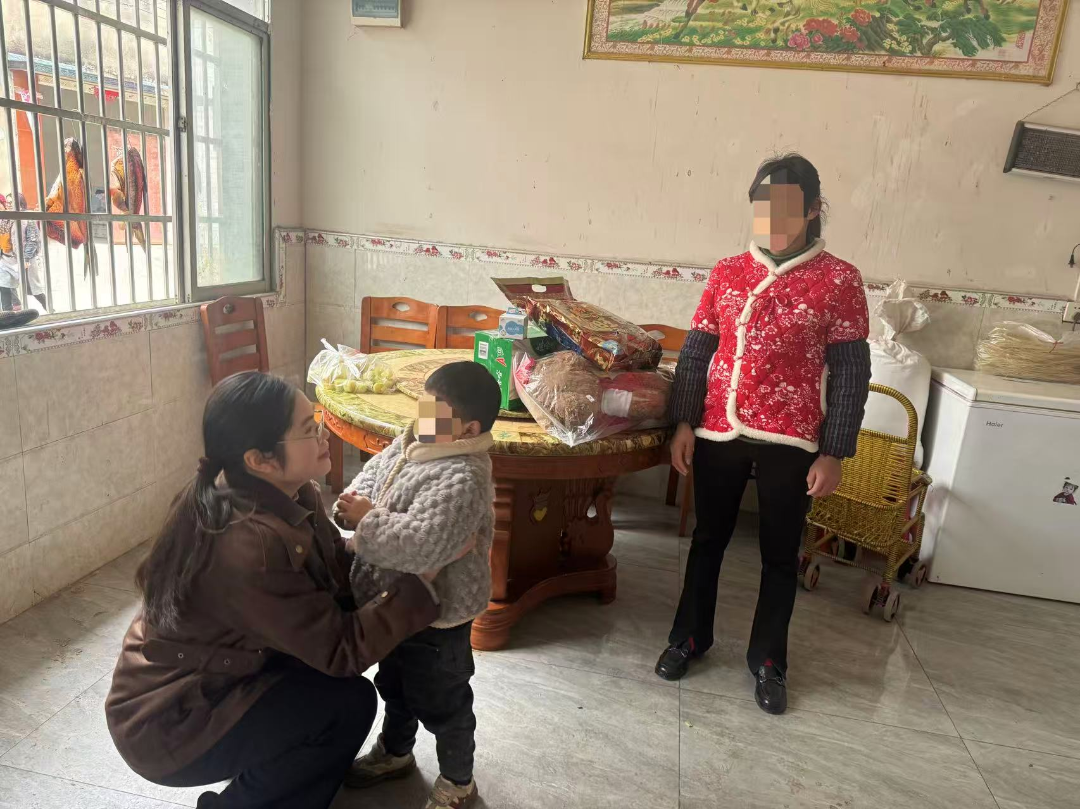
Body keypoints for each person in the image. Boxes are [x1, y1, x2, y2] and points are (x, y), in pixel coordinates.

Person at [105, 372, 447, 809]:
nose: (323, 434)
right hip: (171, 723)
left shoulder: (289, 491)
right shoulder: (248, 546)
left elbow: (332, 572)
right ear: (260, 460)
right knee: (345, 706)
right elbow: (342, 649)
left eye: (316, 419)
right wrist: (418, 585)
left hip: (222, 677)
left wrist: (390, 540)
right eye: (308, 429)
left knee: (334, 692)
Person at [654, 154, 871, 715]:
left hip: (793, 440)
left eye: (787, 208)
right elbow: (697, 351)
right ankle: (689, 637)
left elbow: (850, 371)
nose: (773, 220)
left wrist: (835, 451)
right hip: (719, 431)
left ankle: (769, 659)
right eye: (763, 206)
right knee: (708, 540)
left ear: (813, 209)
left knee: (779, 553)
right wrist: (684, 421)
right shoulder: (728, 270)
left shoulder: (840, 279)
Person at [337, 361, 499, 809]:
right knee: (395, 685)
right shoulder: (412, 441)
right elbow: (371, 479)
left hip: (438, 616)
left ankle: (458, 783)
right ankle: (395, 752)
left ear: (468, 429)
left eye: (435, 411)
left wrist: (367, 519)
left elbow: (422, 545)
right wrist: (352, 506)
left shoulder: (463, 475)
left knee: (443, 703)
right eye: (423, 405)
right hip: (397, 604)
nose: (421, 417)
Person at [0, 193, 46, 312]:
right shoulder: (4, 218)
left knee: (34, 289)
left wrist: (26, 258)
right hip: (6, 259)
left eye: (12, 202)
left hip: (23, 259)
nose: (9, 205)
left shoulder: (27, 218)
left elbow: (33, 240)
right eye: (8, 202)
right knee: (4, 286)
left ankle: (50, 308)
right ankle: (7, 314)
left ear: (20, 203)